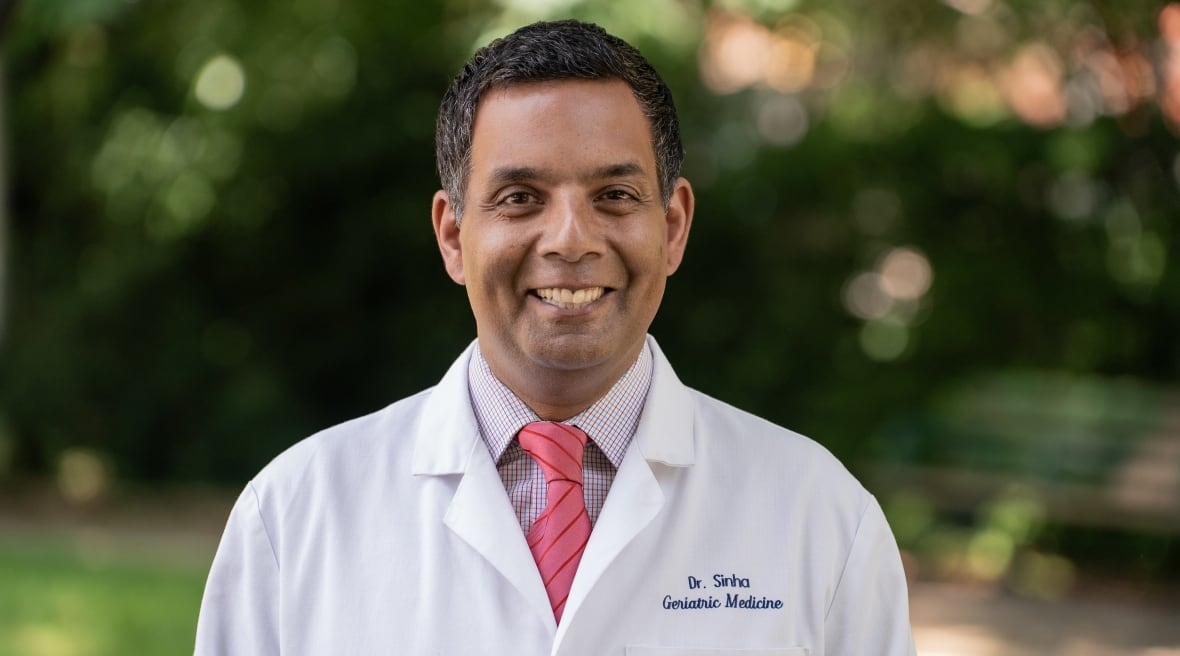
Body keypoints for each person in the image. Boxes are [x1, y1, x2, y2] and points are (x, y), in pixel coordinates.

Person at [195, 19, 915, 655]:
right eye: (520, 199)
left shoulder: (817, 516)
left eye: (614, 196)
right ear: (453, 235)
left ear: (673, 226)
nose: (571, 239)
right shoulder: (294, 519)